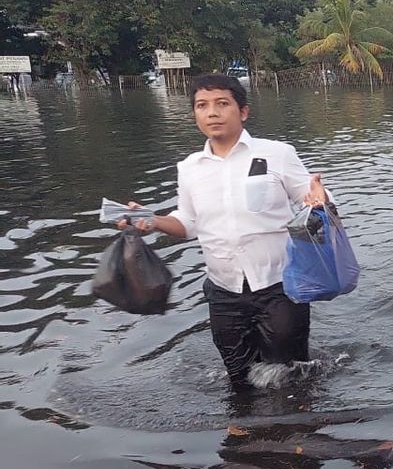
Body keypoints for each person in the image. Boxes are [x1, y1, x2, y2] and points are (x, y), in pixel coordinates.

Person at [119, 73, 330, 389]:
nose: (212, 112)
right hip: (223, 290)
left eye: (222, 104)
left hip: (279, 285)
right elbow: (188, 223)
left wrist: (318, 200)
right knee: (239, 379)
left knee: (290, 376)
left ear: (242, 111)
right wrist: (152, 220)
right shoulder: (190, 167)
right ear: (195, 114)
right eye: (202, 105)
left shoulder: (276, 153)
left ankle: (297, 433)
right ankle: (246, 431)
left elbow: (312, 196)